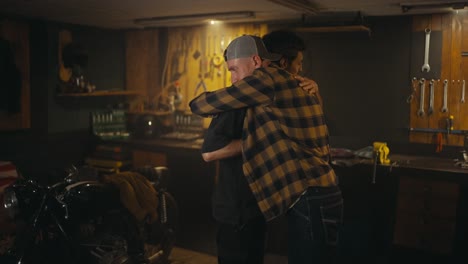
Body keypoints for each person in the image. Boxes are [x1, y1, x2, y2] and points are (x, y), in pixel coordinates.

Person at [190, 35, 343, 264]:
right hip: (318, 195)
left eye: (234, 69)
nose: (233, 79)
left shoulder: (265, 80)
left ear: (255, 61)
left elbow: (199, 105)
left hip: (309, 198)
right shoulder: (293, 85)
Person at [262, 29, 323, 105]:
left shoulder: (253, 86)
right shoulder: (297, 90)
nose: (301, 69)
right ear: (284, 63)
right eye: (299, 63)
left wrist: (315, 91)